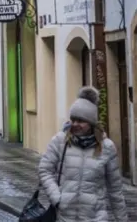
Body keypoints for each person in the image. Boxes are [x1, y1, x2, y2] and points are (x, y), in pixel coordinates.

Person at [38, 87, 127, 221]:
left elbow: (115, 189)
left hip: (95, 217)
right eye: (73, 120)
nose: (75, 124)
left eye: (80, 121)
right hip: (65, 217)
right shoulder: (60, 141)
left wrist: (122, 219)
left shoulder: (106, 147)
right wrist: (56, 198)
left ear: (91, 123)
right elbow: (44, 170)